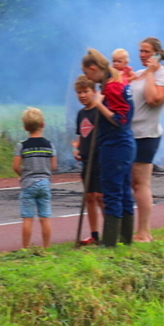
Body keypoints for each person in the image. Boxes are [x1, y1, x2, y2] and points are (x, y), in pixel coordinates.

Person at [81, 49, 135, 247]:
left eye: (88, 74)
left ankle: (110, 242)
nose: (88, 79)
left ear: (94, 69)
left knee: (112, 191)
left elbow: (121, 120)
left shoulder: (112, 87)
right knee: (123, 191)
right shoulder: (118, 79)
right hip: (123, 143)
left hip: (116, 144)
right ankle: (125, 239)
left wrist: (98, 104)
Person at [130, 37, 164, 243]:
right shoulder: (137, 74)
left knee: (141, 183)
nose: (142, 55)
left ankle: (144, 232)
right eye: (140, 51)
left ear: (157, 54)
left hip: (146, 135)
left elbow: (153, 99)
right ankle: (125, 229)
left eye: (147, 51)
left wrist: (150, 73)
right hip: (127, 134)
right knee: (127, 182)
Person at [13, 108, 57, 249]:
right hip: (44, 183)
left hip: (28, 184)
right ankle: (46, 248)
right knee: (45, 218)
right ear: (42, 124)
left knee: (27, 218)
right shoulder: (49, 145)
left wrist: (24, 174)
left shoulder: (22, 146)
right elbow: (54, 166)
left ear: (25, 127)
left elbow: (15, 166)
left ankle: (25, 249)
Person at [73, 76, 103, 245]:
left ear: (94, 91)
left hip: (99, 159)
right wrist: (78, 149)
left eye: (86, 91)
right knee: (89, 196)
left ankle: (110, 230)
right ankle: (95, 234)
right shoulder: (81, 114)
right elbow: (81, 135)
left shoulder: (99, 111)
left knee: (101, 196)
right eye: (79, 92)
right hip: (86, 160)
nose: (82, 95)